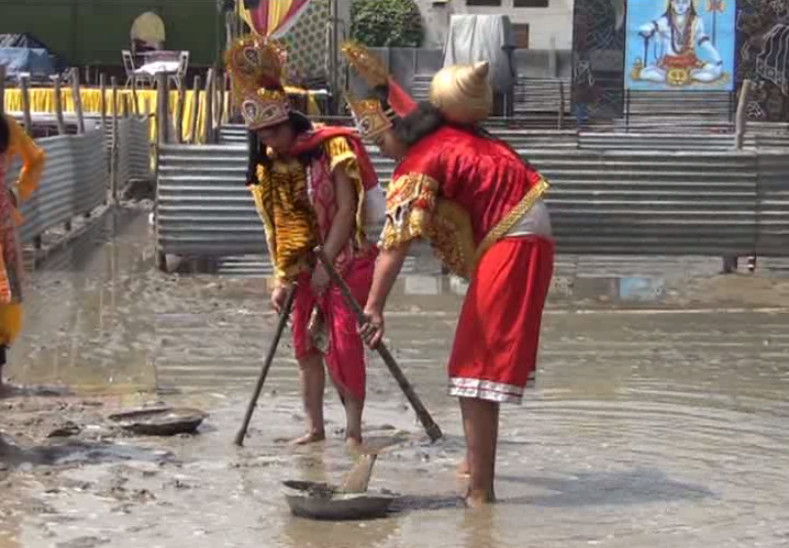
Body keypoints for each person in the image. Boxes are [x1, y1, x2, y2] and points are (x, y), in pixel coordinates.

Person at [343, 43, 554, 506]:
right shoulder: (460, 137)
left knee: (471, 366)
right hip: (524, 231)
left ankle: (481, 492)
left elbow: (394, 242)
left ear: (401, 137)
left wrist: (375, 307)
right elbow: (411, 110)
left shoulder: (422, 159)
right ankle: (472, 466)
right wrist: (383, 85)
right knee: (477, 362)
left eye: (382, 142)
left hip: (514, 239)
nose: (384, 151)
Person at [226, 36, 381, 447]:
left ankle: (353, 431)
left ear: (290, 120)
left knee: (345, 344)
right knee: (304, 346)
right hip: (300, 266)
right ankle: (314, 428)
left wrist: (328, 263)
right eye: (262, 134)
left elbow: (347, 210)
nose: (271, 140)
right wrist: (281, 277)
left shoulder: (332, 147)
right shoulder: (270, 169)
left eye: (275, 129)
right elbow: (275, 226)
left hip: (346, 259)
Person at [0, 115, 45, 388]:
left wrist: (17, 192)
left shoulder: (5, 126)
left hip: (2, 228)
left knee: (4, 304)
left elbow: (36, 159)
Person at [636, 0, 724, 85]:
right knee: (645, 73)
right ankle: (677, 75)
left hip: (690, 62)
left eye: (685, 2)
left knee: (714, 73)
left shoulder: (697, 21)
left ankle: (688, 75)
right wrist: (647, 28)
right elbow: (651, 25)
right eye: (677, 2)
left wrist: (717, 58)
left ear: (690, 4)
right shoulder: (665, 20)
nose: (680, 6)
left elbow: (703, 41)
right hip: (669, 62)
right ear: (671, 3)